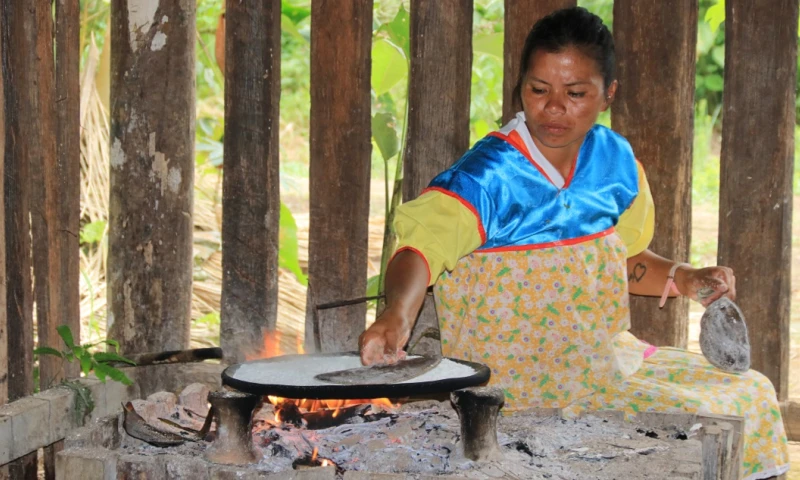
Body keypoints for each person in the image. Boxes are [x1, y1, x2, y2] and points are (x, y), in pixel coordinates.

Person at [358, 6, 789, 480]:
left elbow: (618, 263)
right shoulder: (487, 176)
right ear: (520, 87)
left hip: (605, 365)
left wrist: (685, 278)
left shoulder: (616, 163)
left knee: (750, 393)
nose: (554, 107)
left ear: (609, 94)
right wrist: (397, 315)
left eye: (576, 93)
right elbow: (419, 252)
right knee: (706, 421)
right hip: (515, 386)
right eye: (538, 90)